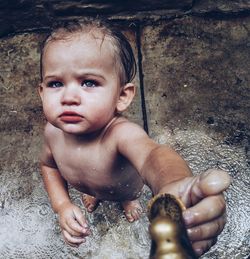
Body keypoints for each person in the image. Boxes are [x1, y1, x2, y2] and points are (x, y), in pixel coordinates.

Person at [38, 19, 231, 256]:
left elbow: (153, 155)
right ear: (41, 92)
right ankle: (94, 193)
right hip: (90, 185)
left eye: (89, 82)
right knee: (92, 192)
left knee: (127, 195)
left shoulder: (119, 134)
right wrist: (62, 205)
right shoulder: (52, 132)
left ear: (122, 96)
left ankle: (126, 202)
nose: (69, 97)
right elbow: (48, 165)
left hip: (124, 189)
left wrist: (173, 182)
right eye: (56, 83)